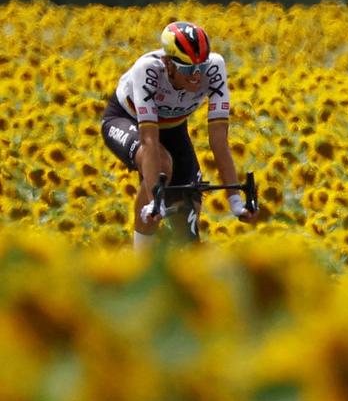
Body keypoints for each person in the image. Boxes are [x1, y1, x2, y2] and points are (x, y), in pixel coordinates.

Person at [100, 22, 256, 248]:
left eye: (200, 67)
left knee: (188, 217)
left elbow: (219, 140)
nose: (195, 76)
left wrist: (235, 200)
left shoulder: (215, 67)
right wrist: (156, 201)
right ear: (167, 63)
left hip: (174, 128)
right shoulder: (148, 69)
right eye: (186, 68)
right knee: (161, 168)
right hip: (126, 119)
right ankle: (140, 264)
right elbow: (149, 140)